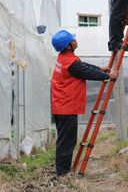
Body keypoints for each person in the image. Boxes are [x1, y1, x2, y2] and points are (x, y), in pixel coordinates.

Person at [50, 29, 119, 176]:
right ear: (68, 45)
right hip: (66, 108)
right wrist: (107, 75)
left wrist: (99, 68)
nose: (75, 40)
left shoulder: (65, 57)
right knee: (67, 142)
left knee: (65, 140)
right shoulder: (70, 63)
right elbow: (86, 72)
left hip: (62, 106)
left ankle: (63, 171)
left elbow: (82, 65)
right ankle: (62, 173)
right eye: (73, 40)